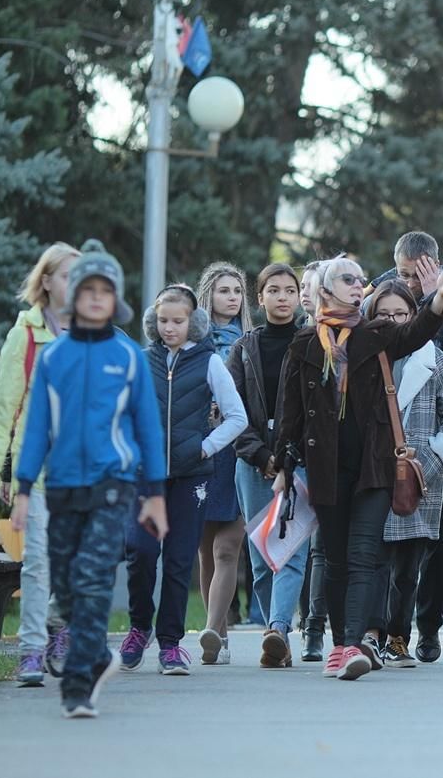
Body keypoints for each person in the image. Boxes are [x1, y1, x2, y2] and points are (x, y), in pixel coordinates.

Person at [274, 254, 443, 681]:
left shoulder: (375, 334)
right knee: (335, 561)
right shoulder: (303, 345)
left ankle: (352, 645)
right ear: (324, 290)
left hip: (374, 469)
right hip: (325, 471)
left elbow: (415, 333)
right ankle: (340, 646)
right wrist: (282, 464)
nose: (358, 285)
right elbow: (291, 416)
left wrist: (436, 299)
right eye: (347, 280)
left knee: (361, 557)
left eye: (360, 280)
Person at [11, 239, 169, 717]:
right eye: (88, 289)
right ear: (73, 296)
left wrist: (155, 492)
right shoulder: (55, 358)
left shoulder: (128, 358)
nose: (97, 297)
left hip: (112, 483)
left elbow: (147, 425)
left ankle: (78, 684)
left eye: (106, 290)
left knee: (95, 578)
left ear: (114, 299)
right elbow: (37, 426)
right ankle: (98, 656)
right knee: (66, 582)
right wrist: (21, 488)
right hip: (59, 486)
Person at [372, 231, 443, 663]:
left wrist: (438, 299)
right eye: (402, 272)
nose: (408, 280)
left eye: (417, 273)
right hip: (392, 434)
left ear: (437, 264)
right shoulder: (384, 294)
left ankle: (430, 624)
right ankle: (385, 628)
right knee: (389, 539)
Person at [121, 284, 248, 676]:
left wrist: (205, 448)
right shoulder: (142, 362)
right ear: (152, 322)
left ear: (193, 322)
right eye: (162, 321)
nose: (169, 328)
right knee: (141, 553)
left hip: (191, 477)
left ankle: (171, 644)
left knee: (178, 561)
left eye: (177, 321)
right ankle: (139, 627)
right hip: (146, 477)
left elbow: (237, 417)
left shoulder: (209, 362)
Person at [360, 279, 443, 668]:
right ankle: (370, 635)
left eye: (401, 314)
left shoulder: (433, 358)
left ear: (414, 316)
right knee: (373, 559)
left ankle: (398, 637)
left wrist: (433, 460)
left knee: (407, 566)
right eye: (384, 313)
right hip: (371, 473)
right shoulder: (362, 355)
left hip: (419, 478)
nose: (392, 321)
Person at [0, 242, 79, 687]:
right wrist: (2, 473)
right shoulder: (25, 335)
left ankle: (56, 623)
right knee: (38, 564)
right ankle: (31, 650)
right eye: (67, 275)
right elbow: (3, 407)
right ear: (46, 281)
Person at [223, 263, 310, 668]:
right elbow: (228, 409)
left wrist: (288, 456)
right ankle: (274, 635)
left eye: (289, 290)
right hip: (252, 461)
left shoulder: (313, 342)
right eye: (273, 290)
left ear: (298, 296)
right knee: (260, 554)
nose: (282, 297)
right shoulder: (243, 348)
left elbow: (318, 408)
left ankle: (278, 628)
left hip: (301, 461)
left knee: (291, 549)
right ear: (260, 298)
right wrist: (260, 454)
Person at [193, 262, 253, 667]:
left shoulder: (251, 342)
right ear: (207, 296)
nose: (232, 297)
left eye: (237, 291)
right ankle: (222, 635)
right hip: (201, 451)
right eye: (223, 291)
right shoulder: (192, 344)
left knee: (228, 547)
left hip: (239, 450)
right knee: (205, 552)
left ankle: (213, 630)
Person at [295, 260, 328, 660]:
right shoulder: (300, 337)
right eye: (301, 284)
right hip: (302, 454)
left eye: (310, 285)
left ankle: (316, 625)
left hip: (335, 458)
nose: (304, 291)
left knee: (323, 548)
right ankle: (303, 623)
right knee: (300, 547)